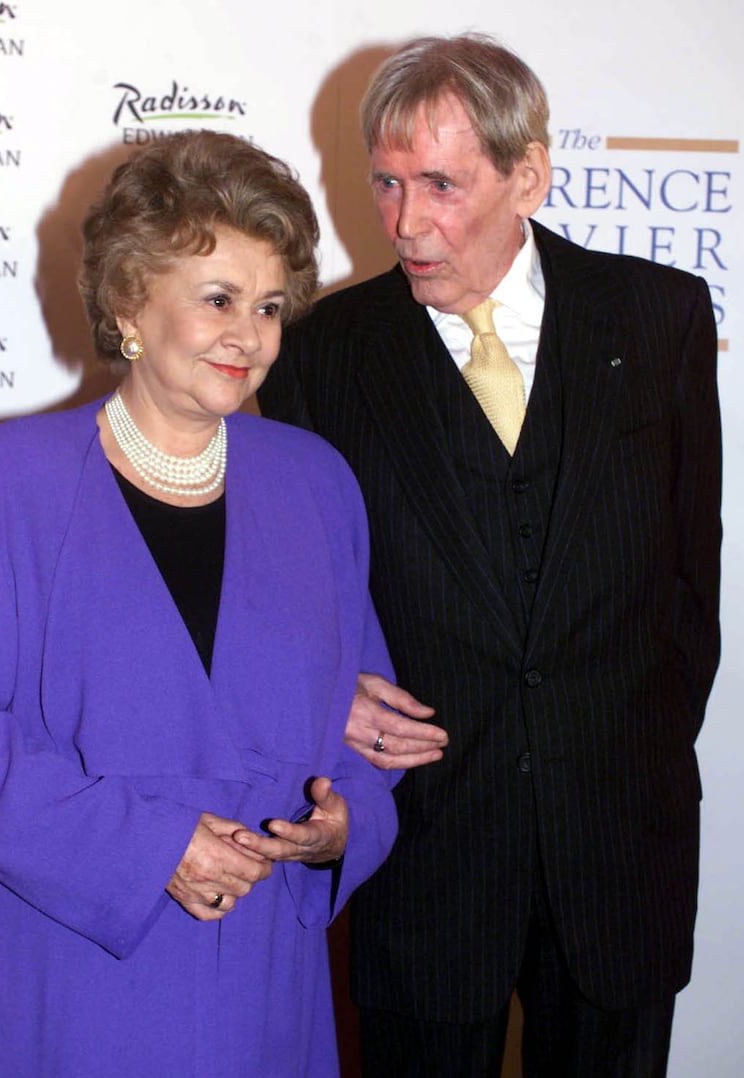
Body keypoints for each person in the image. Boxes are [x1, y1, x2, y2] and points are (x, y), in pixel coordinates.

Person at [258, 33, 722, 1078]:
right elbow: (282, 599)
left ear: (527, 174)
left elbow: (692, 585)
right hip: (425, 855)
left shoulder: (657, 318)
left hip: (618, 849)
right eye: (384, 181)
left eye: (439, 184)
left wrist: (624, 749)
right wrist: (323, 699)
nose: (403, 222)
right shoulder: (323, 352)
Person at [0, 130, 401, 1077]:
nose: (252, 335)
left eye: (271, 306)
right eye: (220, 299)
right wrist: (148, 846)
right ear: (128, 305)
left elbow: (371, 729)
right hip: (63, 976)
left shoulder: (317, 484)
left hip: (262, 991)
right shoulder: (11, 481)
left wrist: (344, 824)